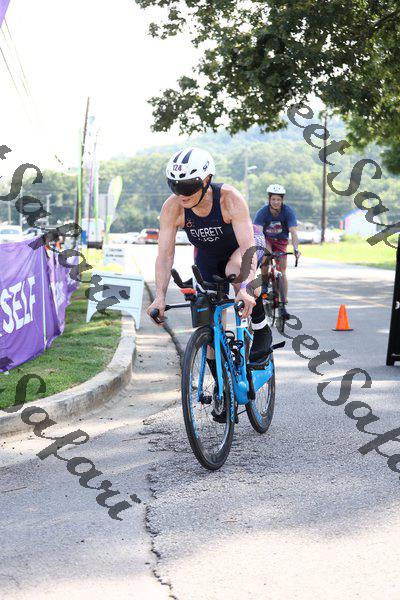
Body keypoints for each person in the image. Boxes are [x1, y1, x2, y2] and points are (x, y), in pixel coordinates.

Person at [146, 146, 272, 363]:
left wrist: (244, 288)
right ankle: (221, 379)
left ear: (206, 180)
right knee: (210, 322)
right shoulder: (172, 207)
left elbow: (247, 248)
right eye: (174, 185)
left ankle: (261, 329)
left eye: (187, 186)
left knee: (236, 271)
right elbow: (165, 256)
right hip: (209, 256)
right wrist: (160, 296)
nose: (181, 194)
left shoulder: (229, 199)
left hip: (245, 247)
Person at [254, 183, 300, 319]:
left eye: (278, 199)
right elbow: (257, 231)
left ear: (282, 200)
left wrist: (296, 249)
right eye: (273, 199)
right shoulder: (262, 212)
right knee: (266, 256)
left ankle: (283, 304)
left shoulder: (288, 211)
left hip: (281, 241)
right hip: (267, 240)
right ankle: (264, 283)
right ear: (269, 199)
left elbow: (293, 232)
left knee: (282, 271)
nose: (276, 202)